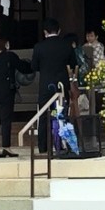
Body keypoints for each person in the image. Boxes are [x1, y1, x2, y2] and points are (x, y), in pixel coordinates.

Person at [30, 18, 77, 153]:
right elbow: (73, 63)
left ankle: (44, 146)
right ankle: (65, 145)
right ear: (59, 30)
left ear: (45, 32)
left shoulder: (39, 47)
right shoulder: (66, 45)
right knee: (61, 113)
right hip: (62, 84)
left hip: (46, 85)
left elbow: (34, 66)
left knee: (44, 114)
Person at [0, 36, 31, 158]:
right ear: (4, 44)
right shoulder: (10, 56)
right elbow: (23, 67)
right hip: (7, 93)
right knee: (6, 120)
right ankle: (6, 147)